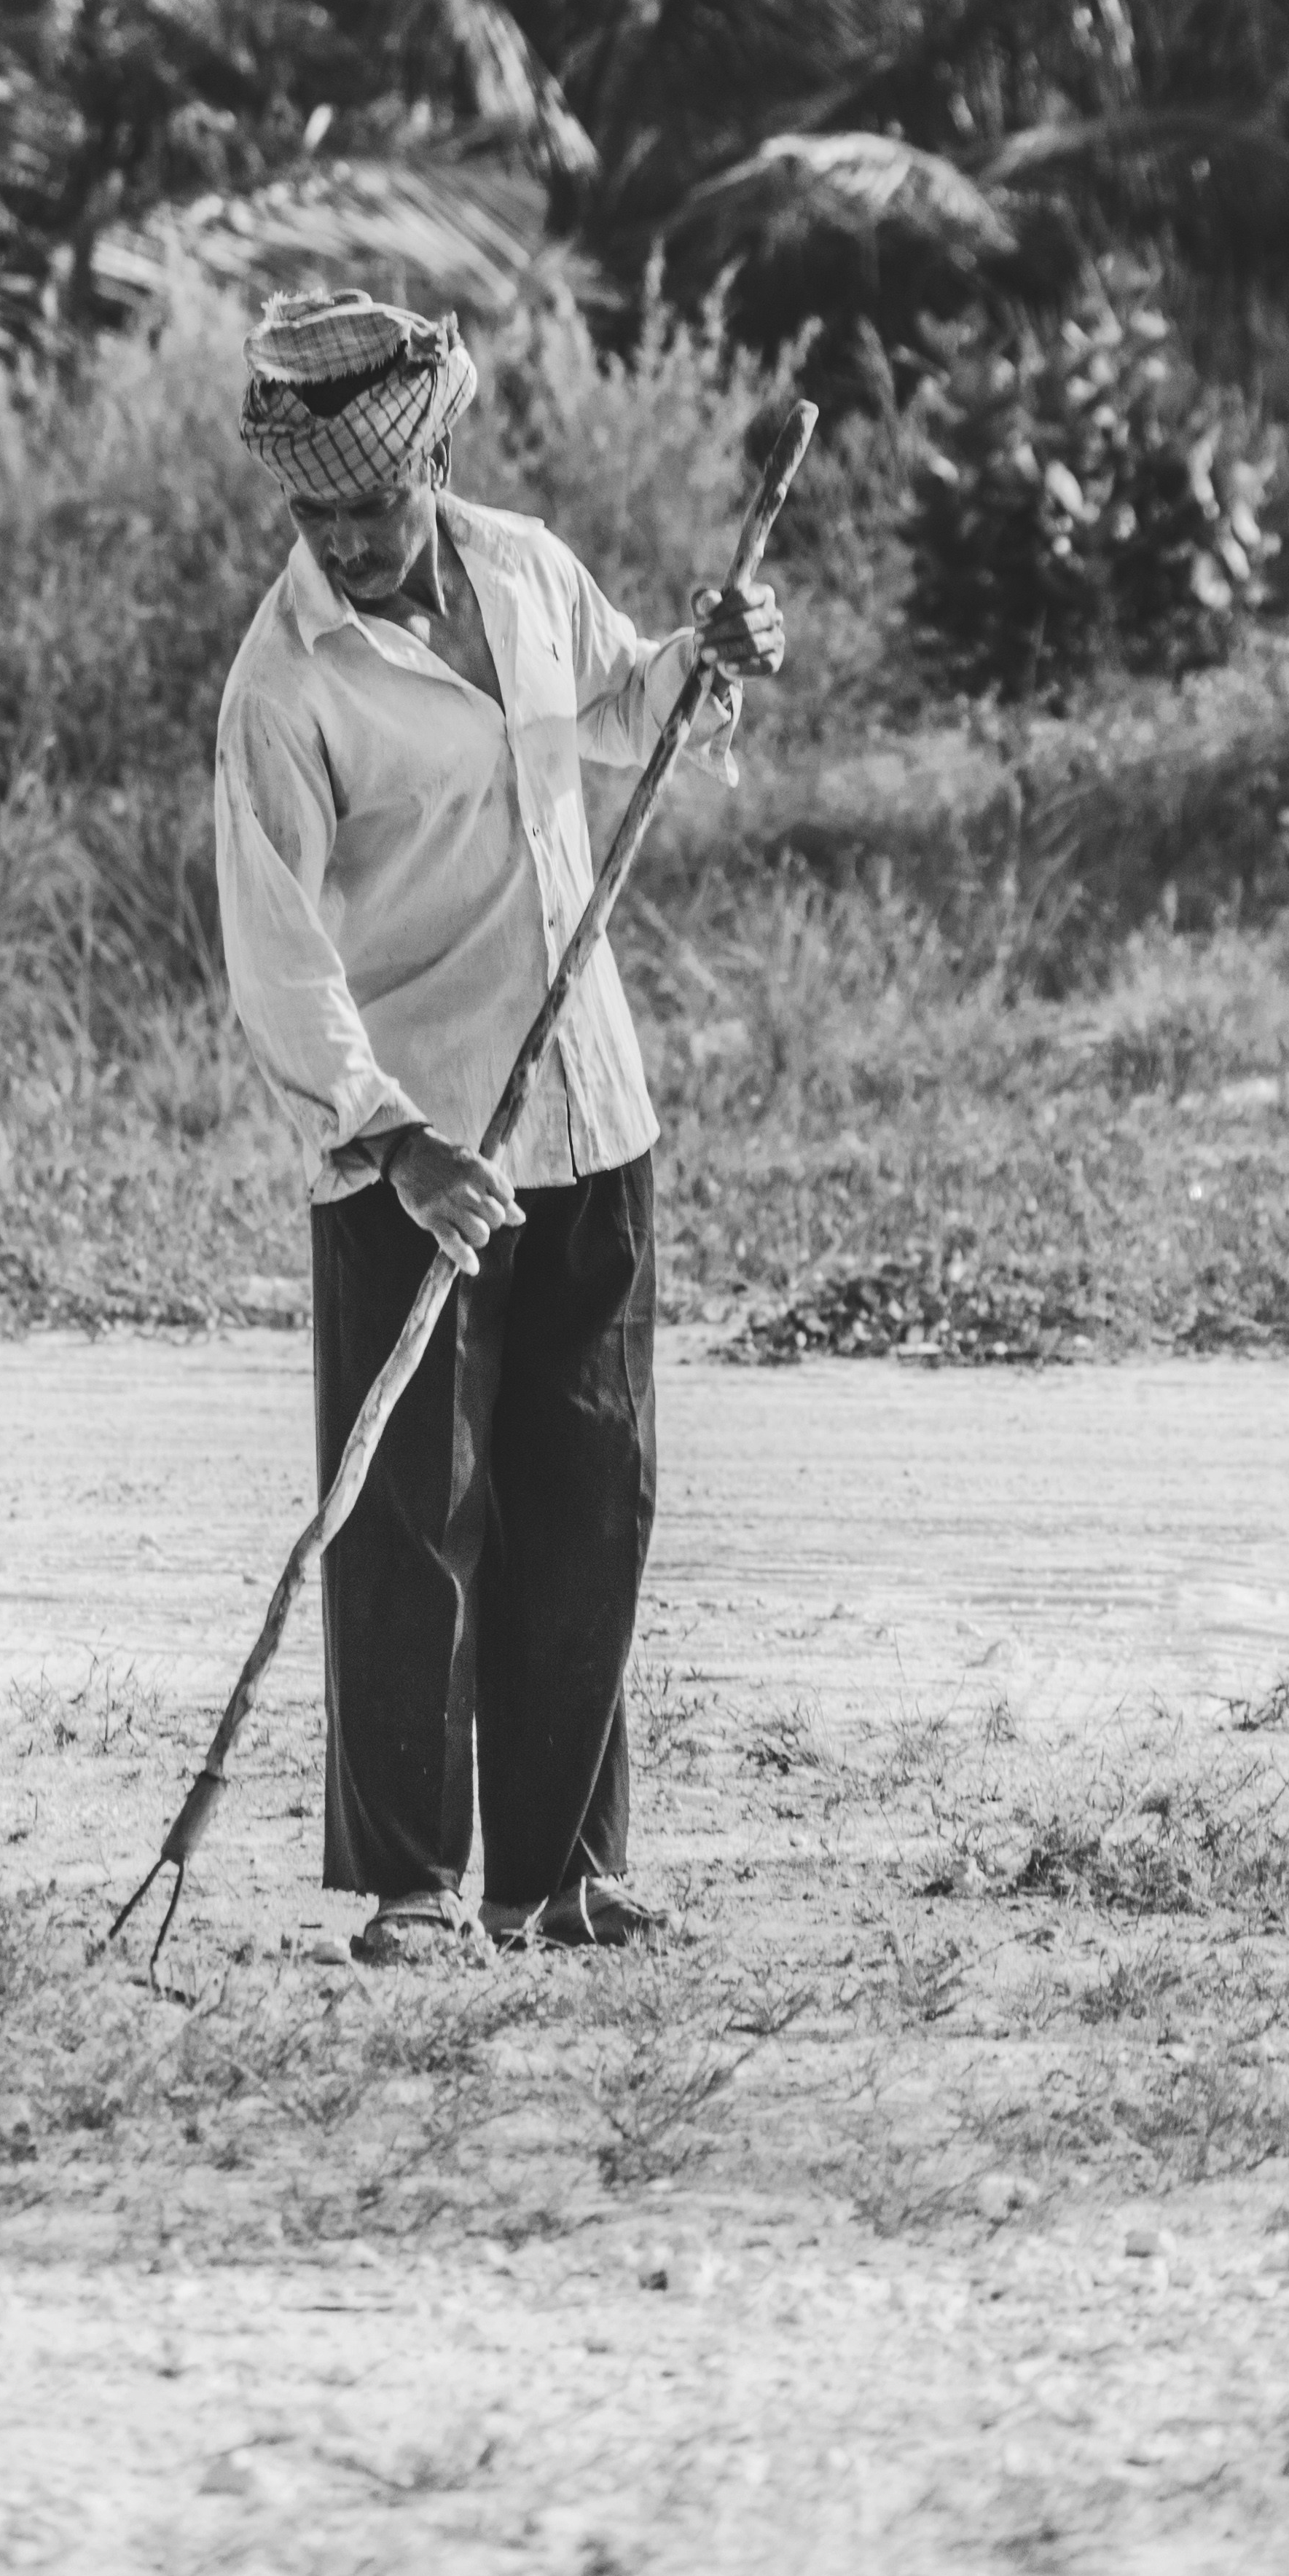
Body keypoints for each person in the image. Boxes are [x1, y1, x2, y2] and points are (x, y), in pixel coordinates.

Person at [211, 286, 785, 1962]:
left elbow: (624, 710)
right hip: (421, 1144)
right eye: (317, 512)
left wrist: (710, 657)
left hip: (589, 1110)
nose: (350, 540)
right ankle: (413, 1885)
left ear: (434, 457)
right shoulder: (284, 683)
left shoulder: (525, 567)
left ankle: (559, 1875)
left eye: (373, 503)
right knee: (408, 1519)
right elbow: (278, 952)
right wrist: (390, 1135)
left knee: (591, 1495)